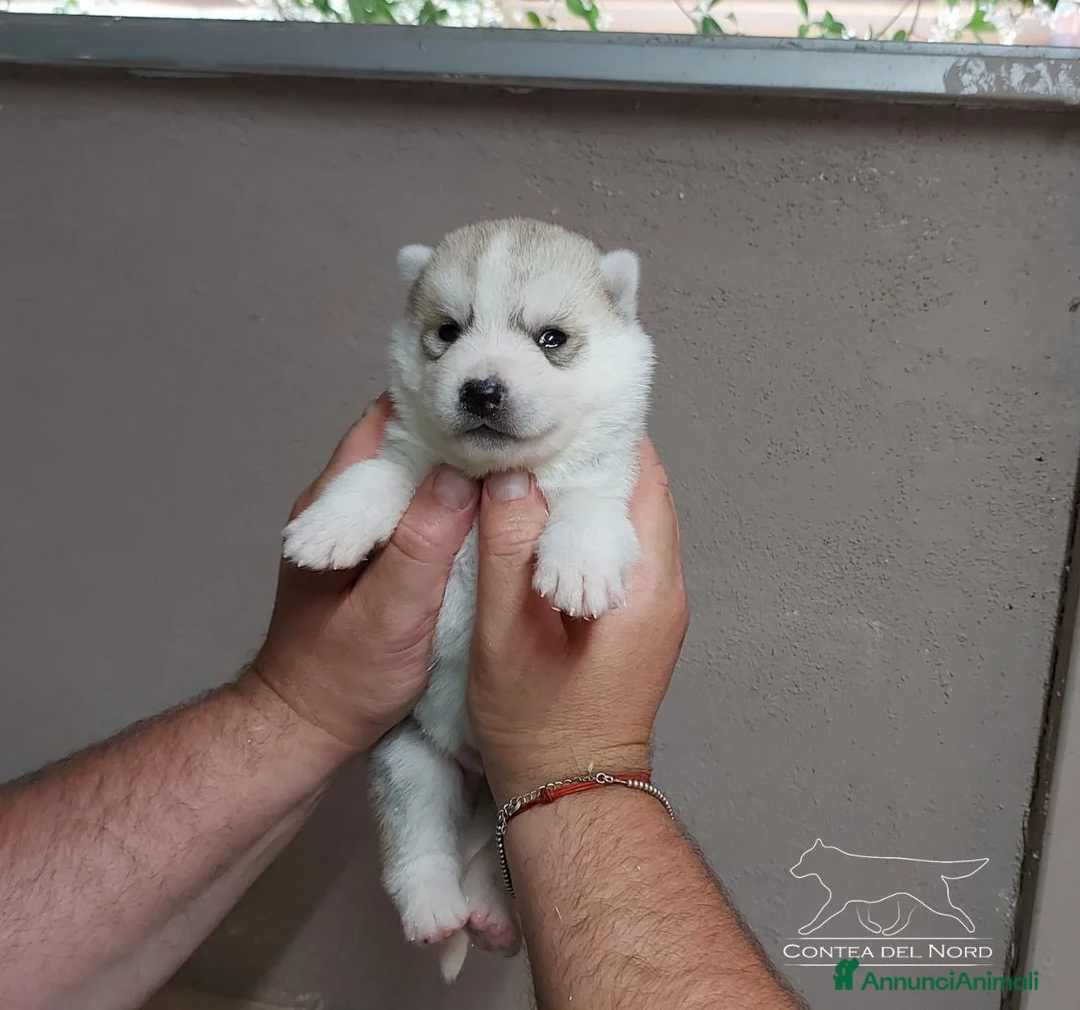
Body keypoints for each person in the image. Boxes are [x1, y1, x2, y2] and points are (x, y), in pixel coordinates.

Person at [0, 396, 804, 1010]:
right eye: (449, 331)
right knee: (413, 772)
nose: (486, 379)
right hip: (422, 721)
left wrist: (562, 755)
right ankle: (426, 875)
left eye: (550, 339)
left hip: (485, 735)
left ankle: (487, 883)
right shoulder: (425, 442)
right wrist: (301, 701)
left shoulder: (595, 448)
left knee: (494, 809)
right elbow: (389, 474)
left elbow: (598, 511)